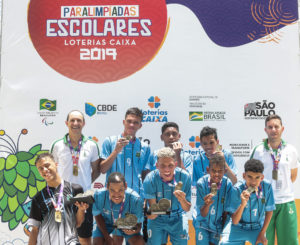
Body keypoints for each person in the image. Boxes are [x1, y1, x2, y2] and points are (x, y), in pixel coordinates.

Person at [50, 110, 101, 245]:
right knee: (60, 236)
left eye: (79, 120)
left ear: (83, 123)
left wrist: (86, 183)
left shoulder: (92, 145)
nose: (75, 123)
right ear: (67, 123)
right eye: (72, 120)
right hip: (62, 196)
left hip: (84, 198)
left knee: (84, 237)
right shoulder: (57, 145)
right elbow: (52, 171)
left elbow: (96, 169)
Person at [250, 114, 299, 244]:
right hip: (264, 203)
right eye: (270, 127)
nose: (273, 130)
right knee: (263, 241)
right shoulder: (258, 150)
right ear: (265, 130)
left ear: (282, 129)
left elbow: (293, 176)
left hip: (286, 202)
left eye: (276, 126)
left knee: (289, 241)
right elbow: (251, 176)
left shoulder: (291, 150)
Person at [28, 153, 89, 245]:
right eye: (40, 168)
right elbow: (34, 230)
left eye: (47, 165)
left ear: (56, 164)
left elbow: (77, 223)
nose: (44, 170)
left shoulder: (76, 189)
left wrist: (81, 210)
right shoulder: (38, 198)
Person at [220, 159, 275, 245]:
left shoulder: (267, 187)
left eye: (257, 177)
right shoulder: (237, 189)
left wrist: (262, 233)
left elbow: (269, 211)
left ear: (262, 177)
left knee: (261, 243)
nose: (253, 182)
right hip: (237, 228)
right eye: (249, 177)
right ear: (244, 175)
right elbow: (234, 221)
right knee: (224, 243)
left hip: (257, 228)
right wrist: (242, 204)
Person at [143, 147, 192, 245]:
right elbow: (153, 215)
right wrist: (148, 213)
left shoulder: (185, 176)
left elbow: (187, 209)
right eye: (162, 166)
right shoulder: (149, 179)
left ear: (176, 164)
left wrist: (182, 200)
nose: (167, 169)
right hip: (158, 219)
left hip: (178, 217)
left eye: (170, 165)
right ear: (156, 165)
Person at [100, 107, 151, 196]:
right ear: (124, 122)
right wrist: (116, 151)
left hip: (136, 196)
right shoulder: (109, 141)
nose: (131, 125)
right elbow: (103, 169)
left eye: (135, 122)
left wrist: (146, 196)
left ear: (140, 126)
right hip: (113, 196)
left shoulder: (145, 147)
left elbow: (145, 176)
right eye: (129, 121)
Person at [93, 172, 144, 245]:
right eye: (112, 190)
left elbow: (139, 225)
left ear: (125, 186)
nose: (116, 195)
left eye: (120, 190)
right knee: (98, 243)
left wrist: (133, 230)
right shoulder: (98, 195)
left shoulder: (136, 200)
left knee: (139, 242)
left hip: (127, 225)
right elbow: (97, 216)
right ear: (107, 187)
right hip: (106, 223)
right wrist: (107, 237)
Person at [192, 154, 233, 245]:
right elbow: (202, 213)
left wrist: (222, 229)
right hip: (202, 224)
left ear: (225, 171)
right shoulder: (201, 183)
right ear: (208, 170)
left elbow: (226, 212)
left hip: (216, 226)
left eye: (220, 171)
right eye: (213, 170)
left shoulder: (228, 184)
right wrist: (207, 204)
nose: (216, 174)